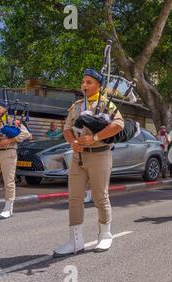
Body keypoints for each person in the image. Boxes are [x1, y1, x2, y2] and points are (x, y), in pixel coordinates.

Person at [53, 68, 125, 257]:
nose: (84, 85)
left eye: (89, 82)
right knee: (75, 198)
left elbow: (118, 125)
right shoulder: (77, 105)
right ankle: (75, 241)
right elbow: (67, 128)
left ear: (99, 86)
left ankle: (105, 234)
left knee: (100, 196)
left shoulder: (106, 104)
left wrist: (95, 137)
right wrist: (73, 143)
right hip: (78, 156)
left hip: (100, 155)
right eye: (83, 82)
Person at [0, 98, 31, 219]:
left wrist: (9, 140)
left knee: (8, 182)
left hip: (8, 153)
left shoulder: (12, 120)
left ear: (4, 109)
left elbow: (26, 134)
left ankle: (8, 208)